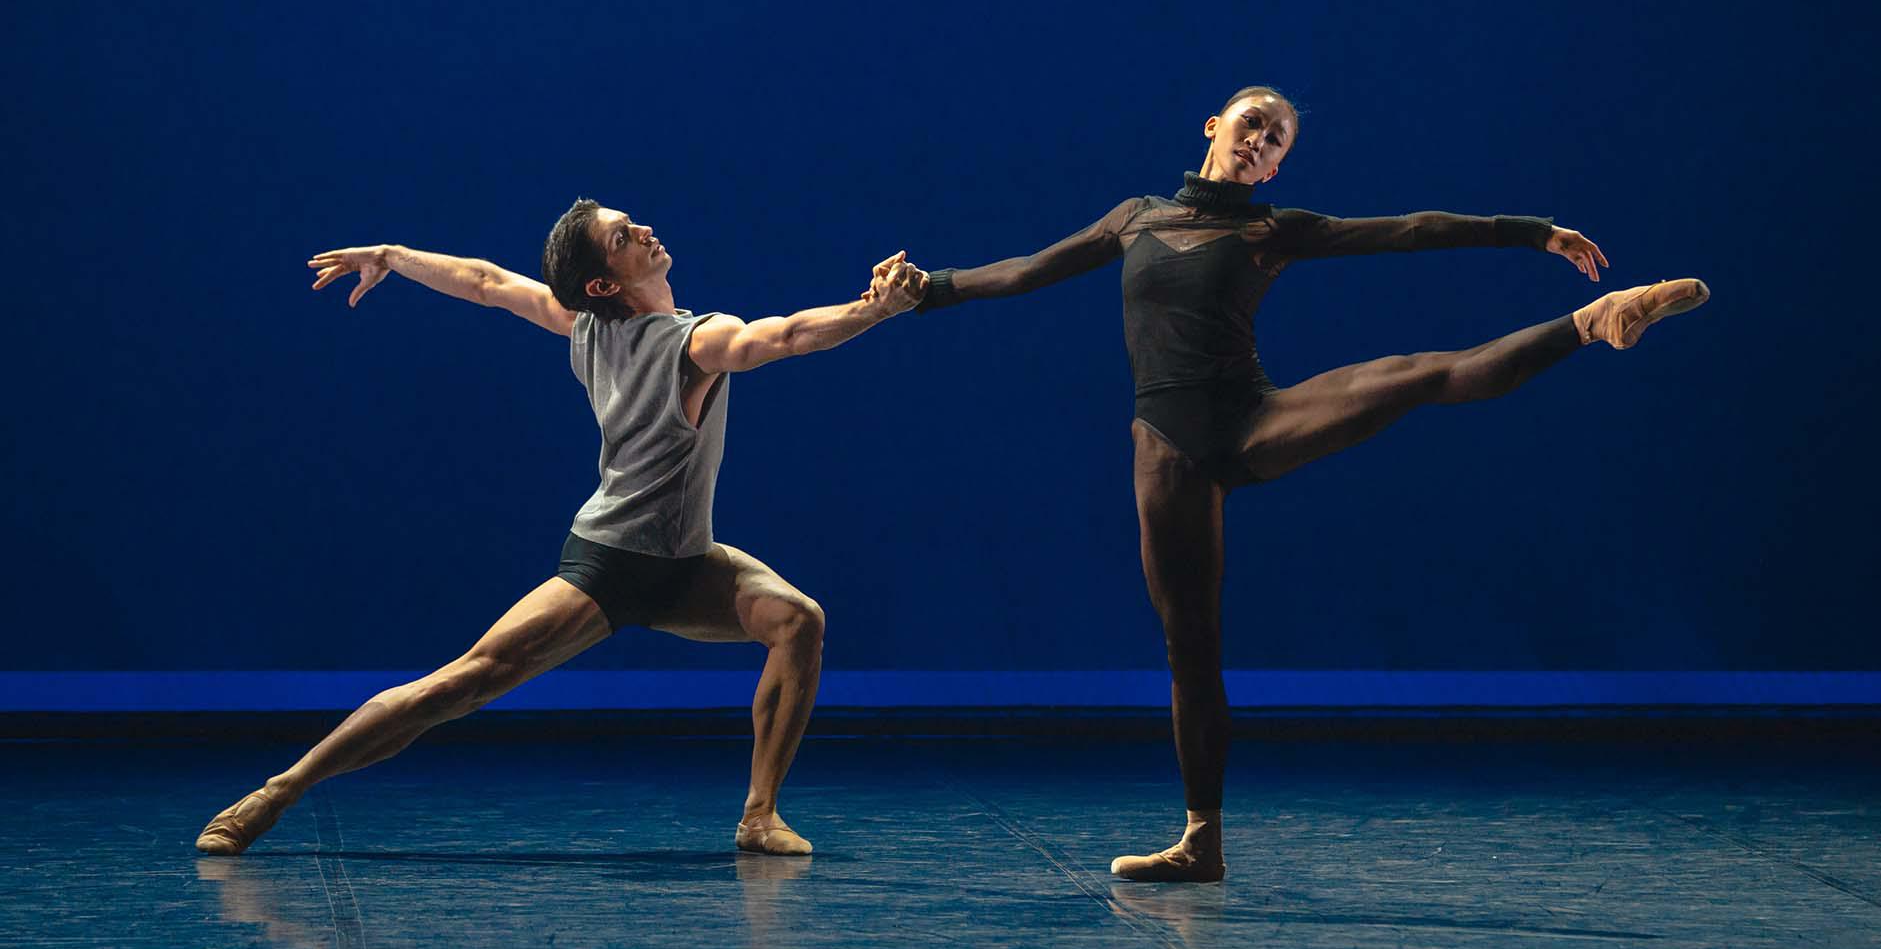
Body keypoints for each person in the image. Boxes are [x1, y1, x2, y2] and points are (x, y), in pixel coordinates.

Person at [915, 86, 1709, 882]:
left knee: (1417, 374)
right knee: (1192, 647)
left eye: (1277, 140)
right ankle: (1201, 841)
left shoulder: (1274, 230)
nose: (1260, 140)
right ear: (1214, 127)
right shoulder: (1135, 218)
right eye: (1252, 124)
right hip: (1168, 449)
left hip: (1256, 418)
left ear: (1275, 168)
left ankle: (1594, 321)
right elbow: (1027, 271)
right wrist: (933, 286)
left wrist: (1533, 232)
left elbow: (1410, 230)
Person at [194, 199, 928, 857]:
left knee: (798, 621)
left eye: (631, 223)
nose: (644, 230)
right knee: (464, 684)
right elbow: (791, 335)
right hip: (612, 564)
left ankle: (759, 816)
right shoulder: (693, 342)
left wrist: (391, 255)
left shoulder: (587, 323)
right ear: (604, 283)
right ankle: (277, 792)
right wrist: (875, 309)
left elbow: (486, 282)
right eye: (623, 236)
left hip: (687, 564)